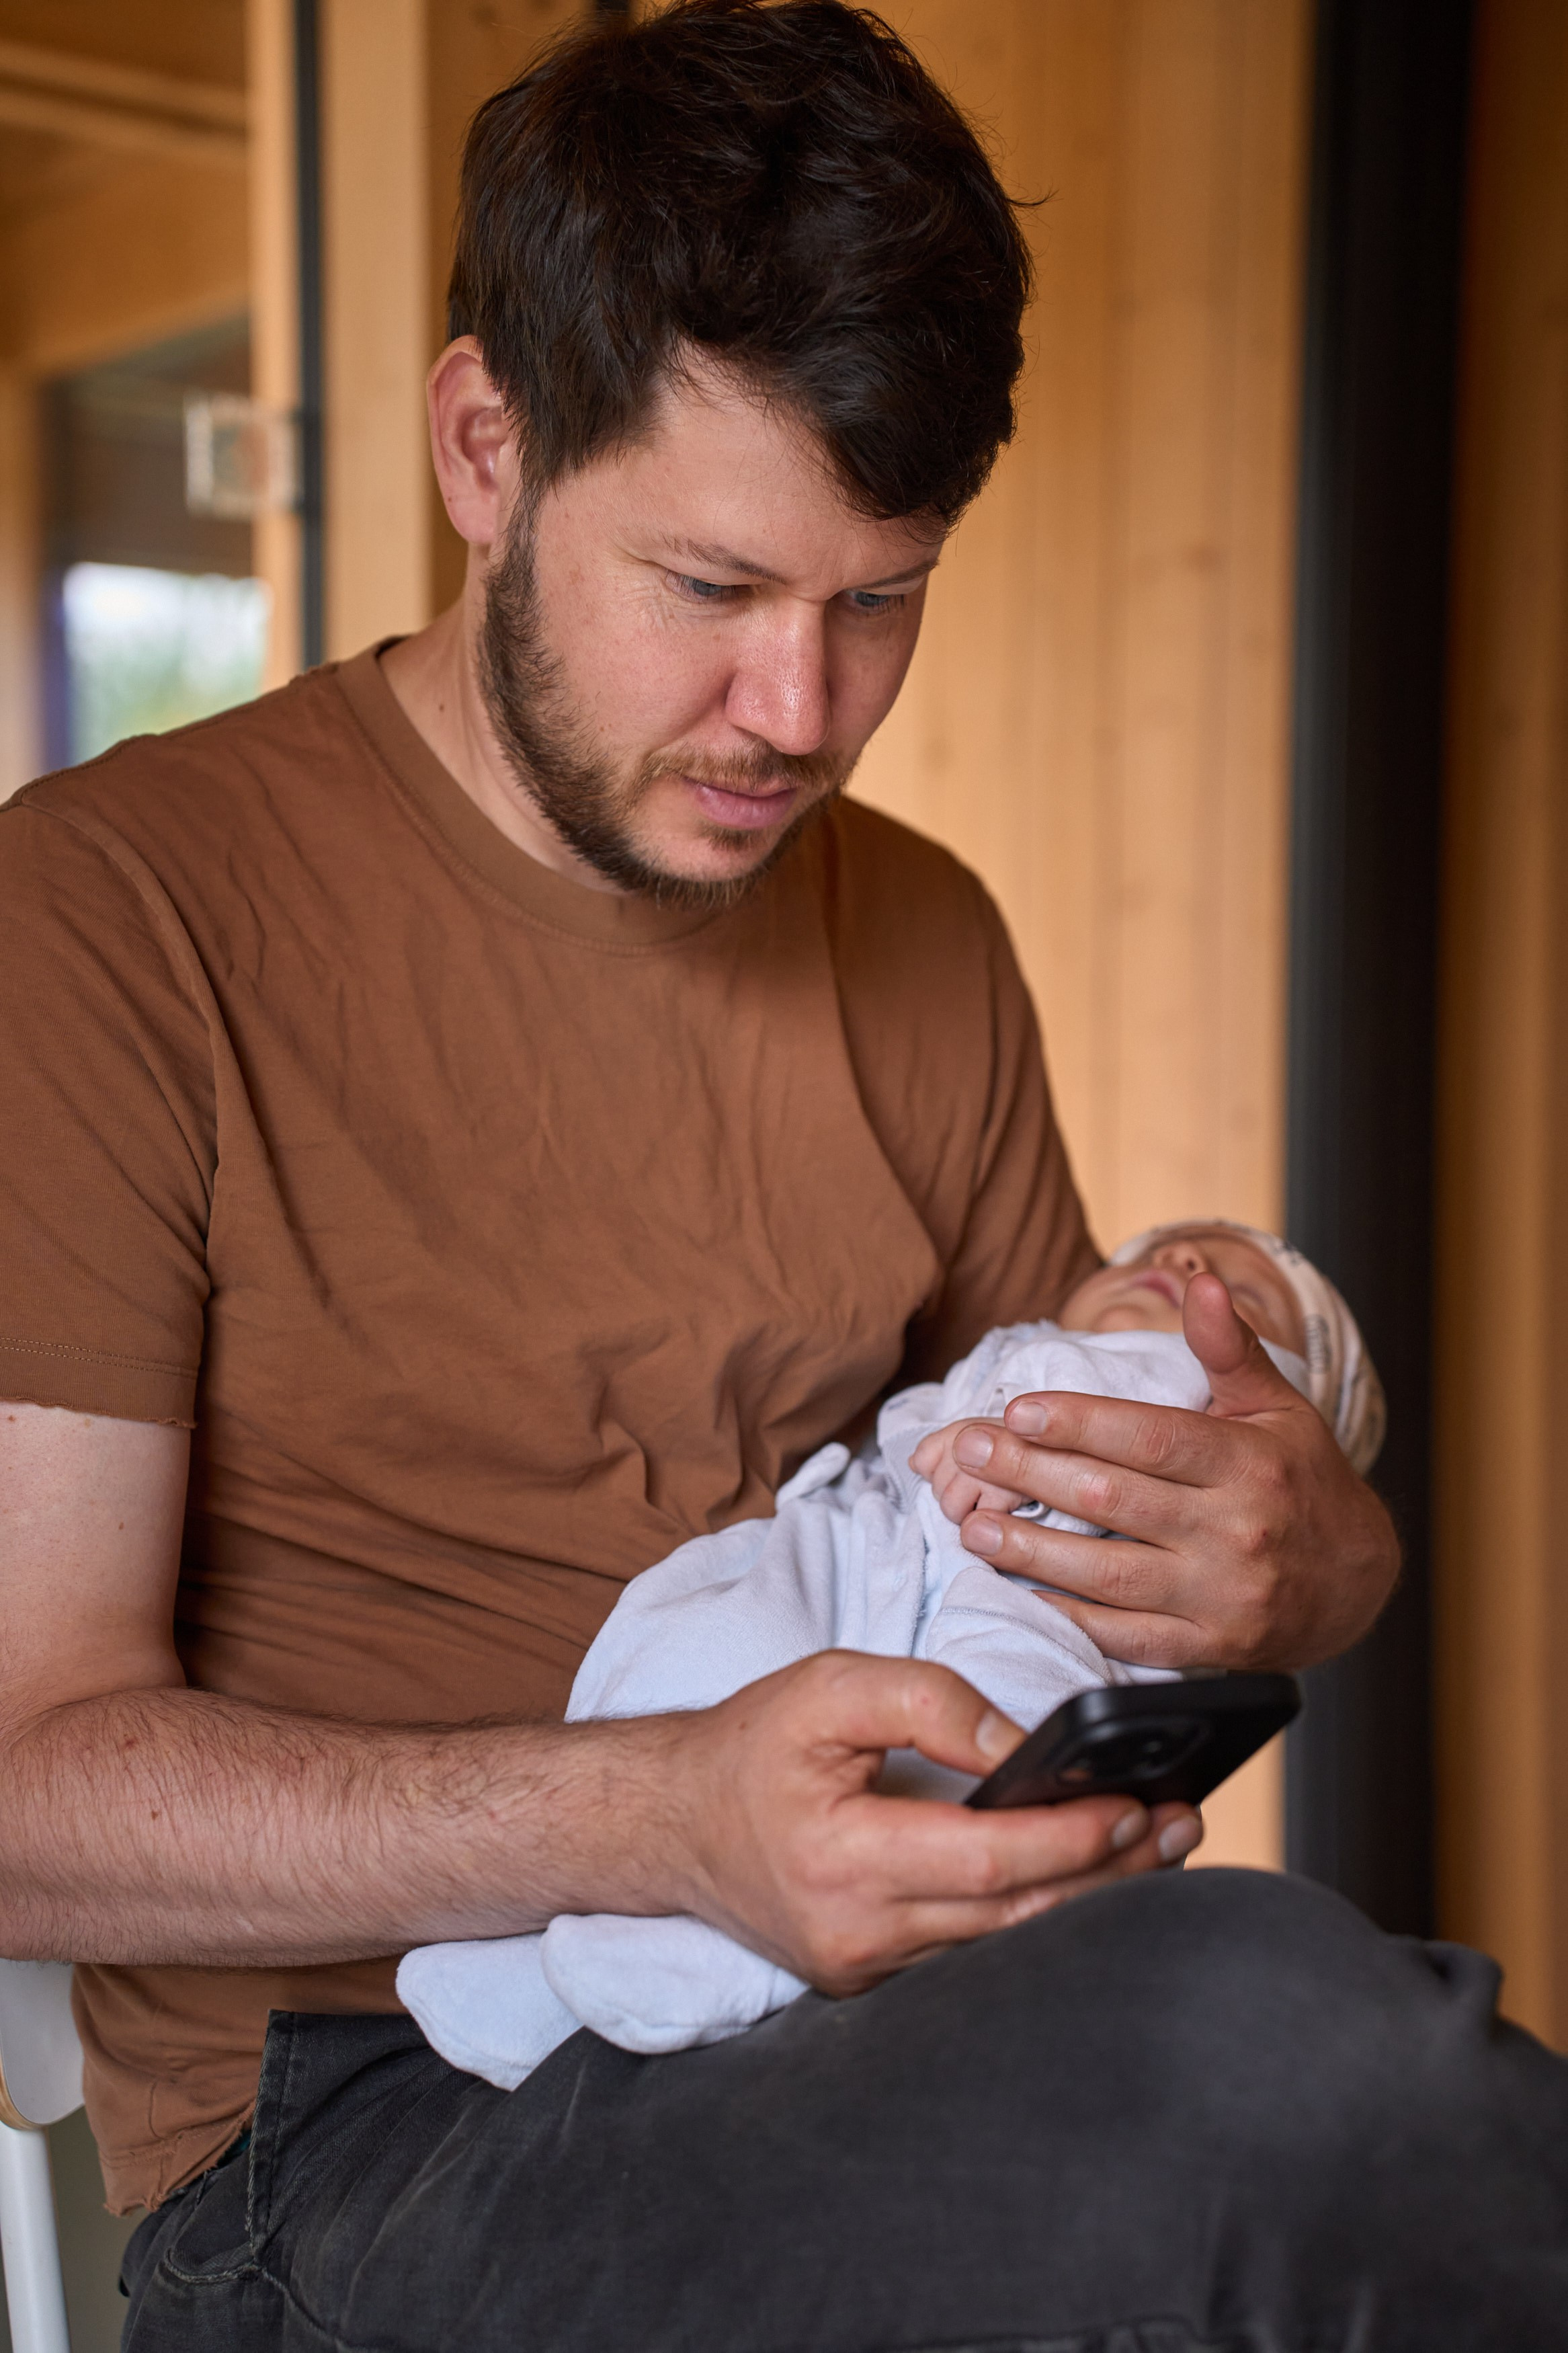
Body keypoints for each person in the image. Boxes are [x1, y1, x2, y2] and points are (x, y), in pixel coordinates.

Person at [0, 5, 1562, 2347]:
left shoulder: (918, 931)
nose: (798, 717)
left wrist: (1319, 1562)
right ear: (481, 447)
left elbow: (1069, 1513)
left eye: (880, 597)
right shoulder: (110, 913)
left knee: (1332, 2073)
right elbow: (24, 1780)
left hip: (865, 2029)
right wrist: (663, 1814)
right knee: (1280, 2071)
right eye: (713, 589)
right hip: (348, 2132)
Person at [397, 1220, 1387, 2089]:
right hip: (865, 1542)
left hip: (1030, 1606)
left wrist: (996, 1441)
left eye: (1247, 1291)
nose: (1180, 1258)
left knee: (963, 1774)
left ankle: (673, 1976)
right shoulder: (1026, 1339)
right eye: (1164, 1245)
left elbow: (1064, 1409)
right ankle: (552, 1964)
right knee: (695, 1661)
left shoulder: (1179, 1394)